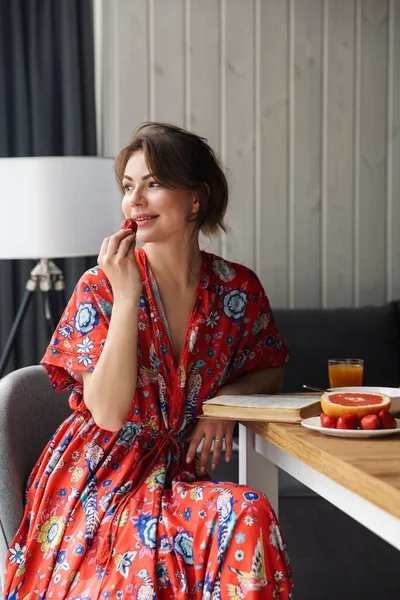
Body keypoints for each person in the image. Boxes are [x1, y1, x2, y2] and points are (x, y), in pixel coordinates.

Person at [4, 123, 293, 599]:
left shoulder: (236, 289)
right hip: (96, 484)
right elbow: (108, 413)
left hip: (176, 479)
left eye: (153, 183)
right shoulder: (101, 287)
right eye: (127, 186)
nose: (134, 200)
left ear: (196, 199)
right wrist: (126, 296)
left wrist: (222, 404)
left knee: (248, 511)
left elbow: (269, 366)